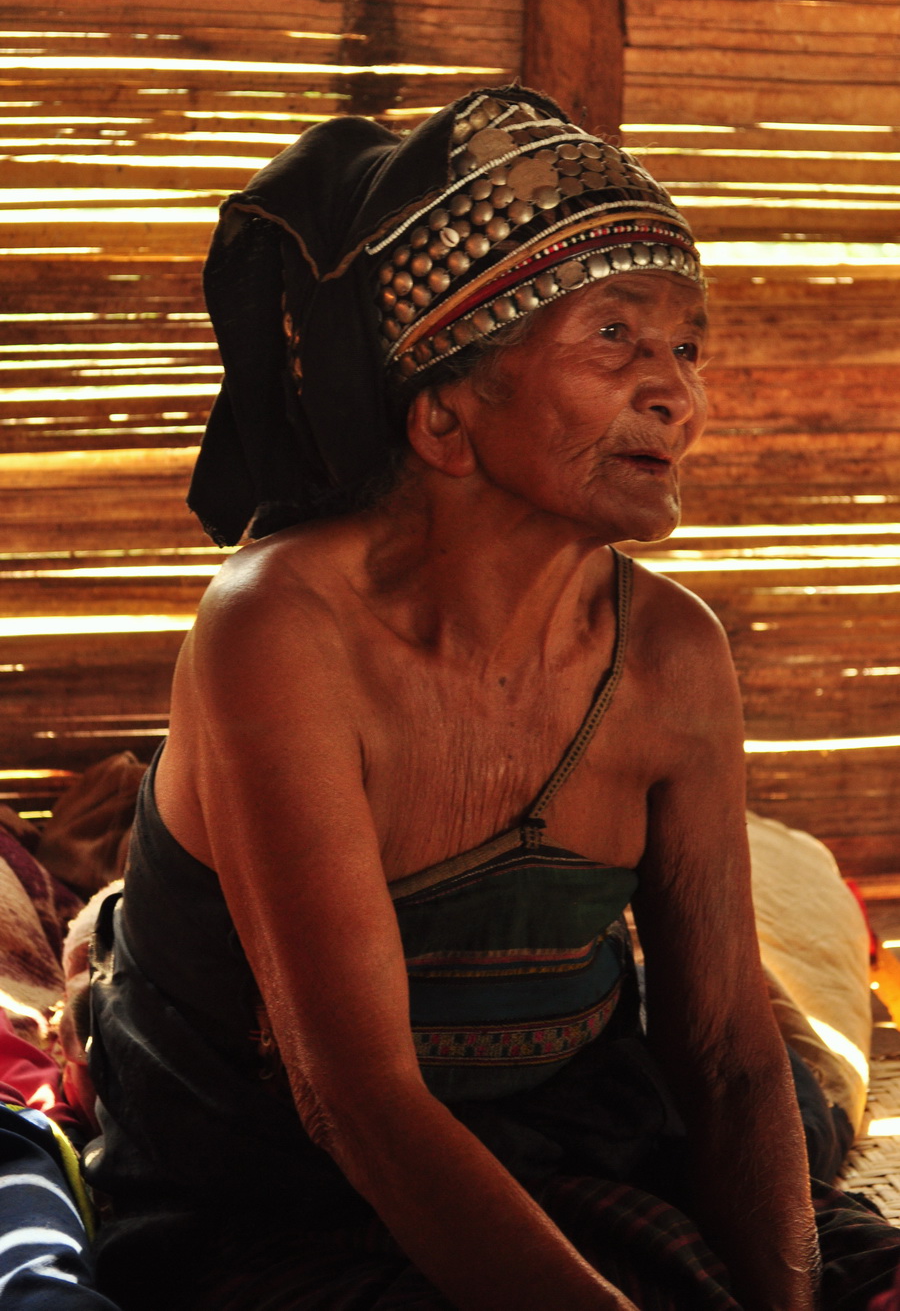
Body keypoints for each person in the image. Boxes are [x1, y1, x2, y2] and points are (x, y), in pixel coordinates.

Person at [84, 86, 900, 1311]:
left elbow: (728, 1056)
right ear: (445, 415)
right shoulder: (282, 631)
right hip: (288, 1189)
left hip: (583, 1137)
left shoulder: (671, 652)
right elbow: (356, 1101)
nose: (679, 397)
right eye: (615, 337)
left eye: (686, 348)